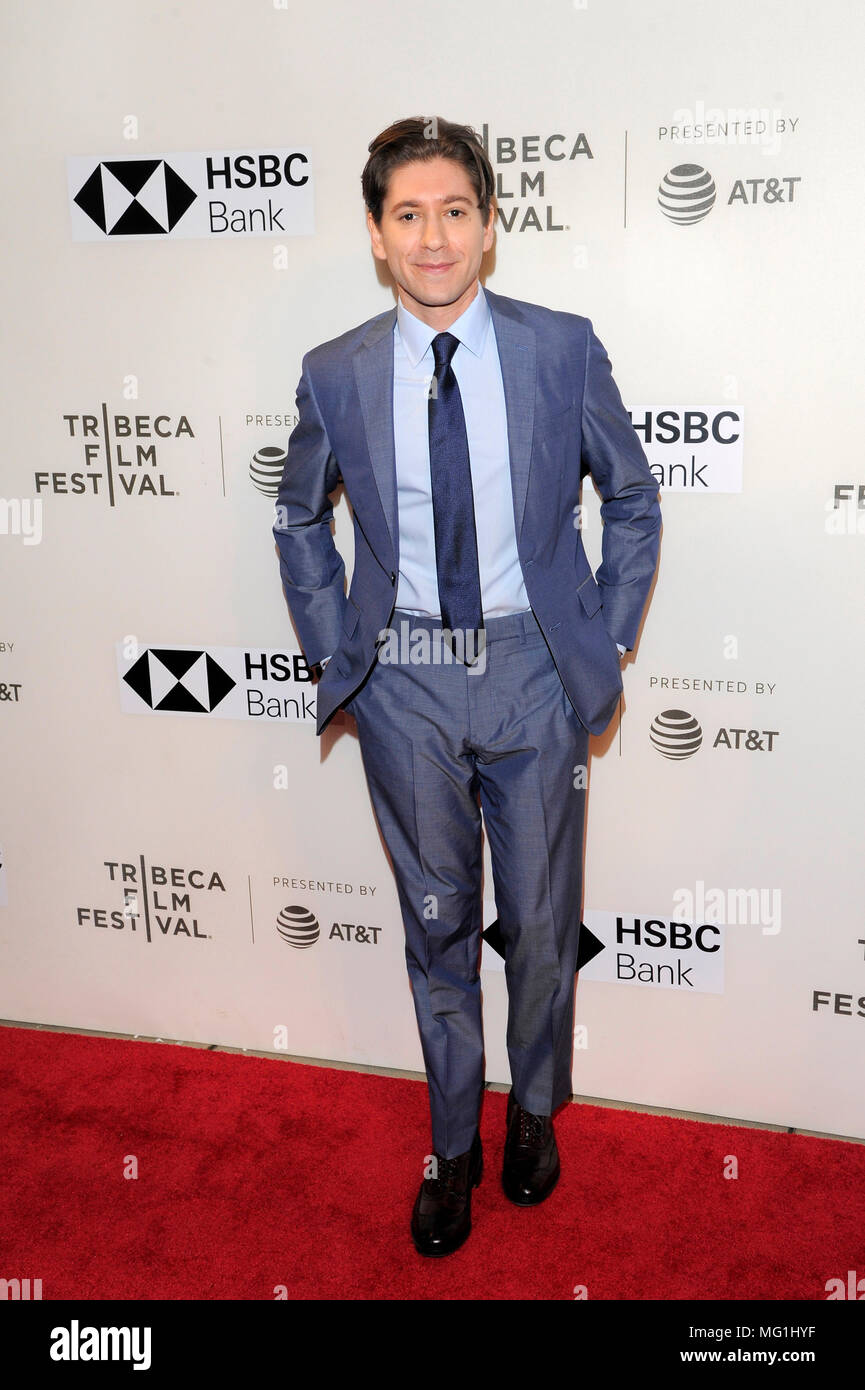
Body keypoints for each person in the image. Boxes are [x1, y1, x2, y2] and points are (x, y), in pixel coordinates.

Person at [273, 116, 661, 1257]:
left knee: (537, 924)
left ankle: (534, 1110)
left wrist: (603, 635)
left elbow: (632, 499)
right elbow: (297, 514)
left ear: (490, 226)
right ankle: (452, 1143)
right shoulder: (336, 371)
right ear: (378, 236)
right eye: (407, 216)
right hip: (406, 683)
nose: (433, 237)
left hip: (532, 671)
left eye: (454, 211)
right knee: (436, 925)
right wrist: (337, 642)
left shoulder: (558, 348)